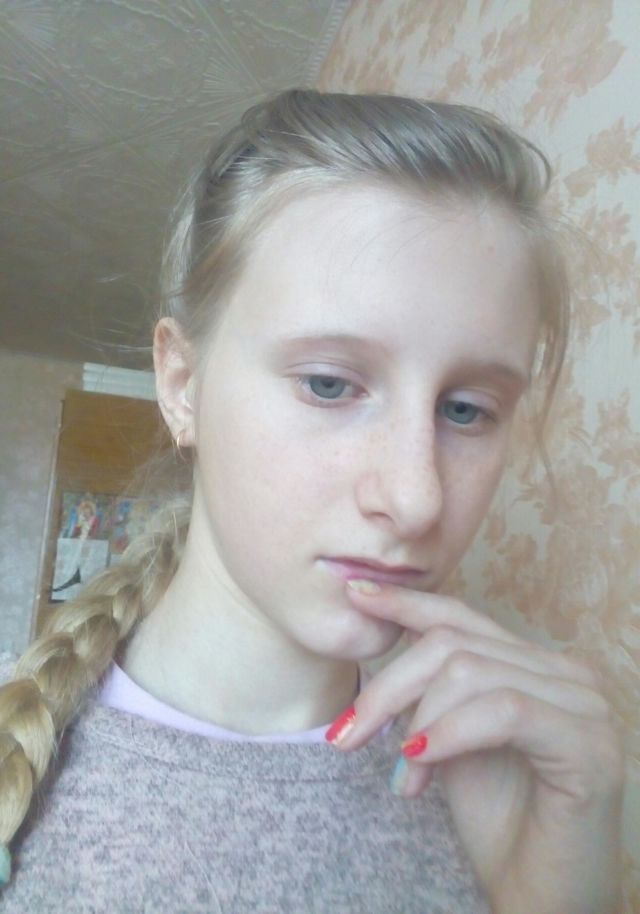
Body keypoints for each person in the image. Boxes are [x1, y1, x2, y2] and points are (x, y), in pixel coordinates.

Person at [0, 89, 625, 913]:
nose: (417, 499)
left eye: (467, 410)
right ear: (182, 385)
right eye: (329, 384)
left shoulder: (506, 794)